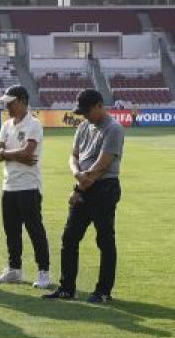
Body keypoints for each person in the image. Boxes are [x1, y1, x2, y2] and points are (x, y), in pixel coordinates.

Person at [42, 88, 125, 304]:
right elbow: (73, 156)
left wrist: (79, 186)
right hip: (84, 185)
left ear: (99, 105)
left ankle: (103, 290)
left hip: (104, 188)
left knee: (104, 240)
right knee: (69, 238)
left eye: (87, 111)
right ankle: (66, 288)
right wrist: (77, 174)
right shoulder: (84, 126)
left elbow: (102, 166)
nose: (85, 115)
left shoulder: (113, 129)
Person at [0, 85, 51, 289]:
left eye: (11, 102)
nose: (7, 106)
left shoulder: (34, 124)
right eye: (6, 103)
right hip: (8, 186)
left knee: (35, 230)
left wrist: (6, 154)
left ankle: (43, 271)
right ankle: (14, 270)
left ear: (23, 101)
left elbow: (28, 153)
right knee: (11, 231)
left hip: (29, 186)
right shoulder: (6, 125)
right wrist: (13, 155)